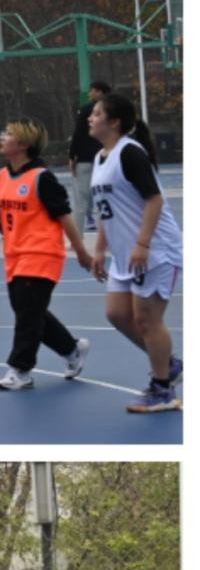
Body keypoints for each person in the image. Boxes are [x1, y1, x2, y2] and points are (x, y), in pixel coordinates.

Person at [0, 119, 94, 390]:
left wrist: (80, 250)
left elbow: (64, 216)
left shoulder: (42, 178)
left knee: (27, 315)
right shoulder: (2, 176)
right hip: (14, 254)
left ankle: (19, 370)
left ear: (22, 144)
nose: (2, 137)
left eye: (8, 134)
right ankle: (72, 349)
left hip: (42, 254)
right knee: (28, 311)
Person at [87, 91, 183, 414]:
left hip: (155, 249)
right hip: (124, 254)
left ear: (114, 122)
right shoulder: (100, 158)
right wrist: (100, 249)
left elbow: (154, 200)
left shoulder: (129, 153)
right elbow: (107, 210)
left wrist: (143, 244)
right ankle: (168, 364)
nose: (90, 118)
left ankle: (162, 389)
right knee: (117, 314)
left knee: (147, 320)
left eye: (96, 114)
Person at [67, 80, 109, 230]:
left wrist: (72, 156)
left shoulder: (86, 110)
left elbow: (78, 133)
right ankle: (112, 235)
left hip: (85, 159)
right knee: (108, 200)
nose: (89, 93)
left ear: (100, 92)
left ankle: (77, 236)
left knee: (80, 200)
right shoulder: (114, 110)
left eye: (92, 90)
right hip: (107, 159)